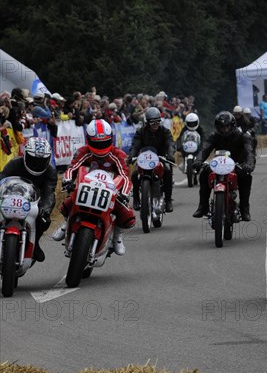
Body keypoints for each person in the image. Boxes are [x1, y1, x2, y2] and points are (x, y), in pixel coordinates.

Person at [52, 120, 135, 255]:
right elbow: (73, 168)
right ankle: (65, 224)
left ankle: (117, 237)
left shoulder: (118, 154)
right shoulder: (83, 151)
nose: (100, 146)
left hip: (110, 191)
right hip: (87, 187)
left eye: (104, 143)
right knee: (68, 201)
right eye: (96, 143)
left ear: (111, 139)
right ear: (89, 140)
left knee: (128, 216)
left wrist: (124, 193)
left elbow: (125, 176)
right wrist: (67, 180)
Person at [0, 137, 56, 262]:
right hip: (10, 197)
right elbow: (1, 179)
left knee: (44, 220)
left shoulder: (50, 172)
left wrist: (45, 208)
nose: (36, 165)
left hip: (34, 202)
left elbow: (49, 193)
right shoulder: (14, 164)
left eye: (41, 161)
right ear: (25, 155)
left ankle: (35, 243)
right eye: (33, 159)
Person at [192, 111, 255, 221]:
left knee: (246, 176)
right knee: (204, 173)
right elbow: (205, 149)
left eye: (227, 127)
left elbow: (249, 152)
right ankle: (203, 206)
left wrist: (248, 164)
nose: (225, 129)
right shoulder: (214, 136)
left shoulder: (242, 136)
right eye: (221, 127)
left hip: (236, 166)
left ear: (232, 126)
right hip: (219, 166)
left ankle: (244, 208)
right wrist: (198, 160)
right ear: (217, 127)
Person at [128, 107, 176, 213]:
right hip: (145, 159)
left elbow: (170, 144)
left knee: (167, 171)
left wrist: (170, 154)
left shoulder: (165, 131)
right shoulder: (141, 132)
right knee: (135, 174)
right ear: (147, 122)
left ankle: (168, 200)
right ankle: (136, 198)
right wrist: (131, 156)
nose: (155, 124)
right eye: (152, 122)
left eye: (157, 121)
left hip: (160, 157)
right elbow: (135, 146)